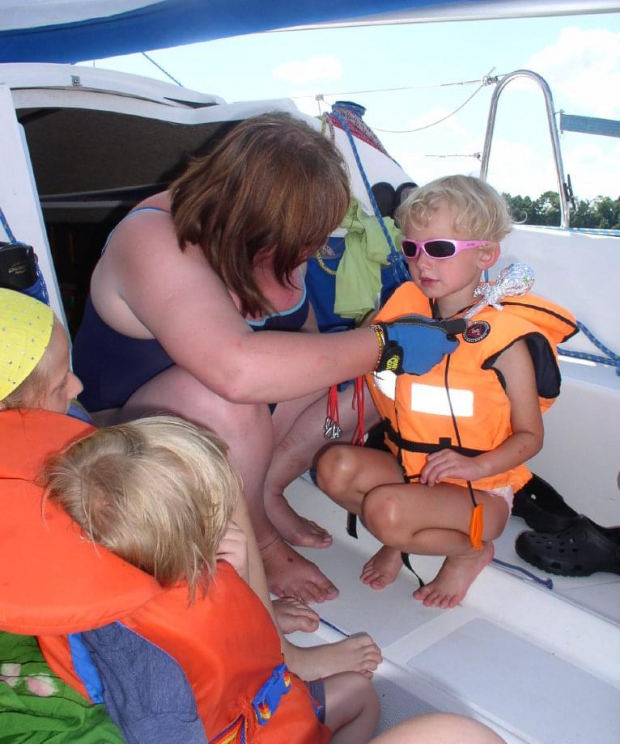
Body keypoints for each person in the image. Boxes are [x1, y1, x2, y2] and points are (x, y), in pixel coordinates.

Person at [0, 288, 505, 744]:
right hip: (234, 725)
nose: (77, 382)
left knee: (363, 696)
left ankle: (268, 634)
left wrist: (241, 607)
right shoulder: (148, 672)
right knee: (457, 735)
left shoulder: (60, 436)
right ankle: (278, 645)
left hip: (260, 696)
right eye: (61, 377)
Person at [71, 111, 461, 604]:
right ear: (253, 215)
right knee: (226, 401)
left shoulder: (277, 245)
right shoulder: (153, 239)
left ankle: (267, 491)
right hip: (121, 439)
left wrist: (376, 354)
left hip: (234, 427)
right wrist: (386, 345)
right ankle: (259, 538)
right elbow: (236, 372)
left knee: (352, 386)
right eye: (307, 233)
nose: (315, 246)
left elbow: (309, 351)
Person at [0, 286, 383, 683]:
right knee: (209, 489)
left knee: (213, 472)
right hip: (115, 588)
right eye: (62, 381)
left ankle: (256, 615)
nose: (76, 386)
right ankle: (281, 653)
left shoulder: (32, 419)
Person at [317, 175, 578, 608]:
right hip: (413, 469)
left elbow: (531, 437)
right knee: (334, 467)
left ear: (487, 255)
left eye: (440, 249)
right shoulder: (403, 319)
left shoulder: (505, 343)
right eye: (412, 249)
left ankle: (469, 551)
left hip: (479, 492)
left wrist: (476, 469)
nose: (423, 263)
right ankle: (402, 538)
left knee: (387, 513)